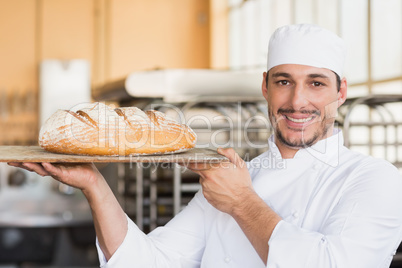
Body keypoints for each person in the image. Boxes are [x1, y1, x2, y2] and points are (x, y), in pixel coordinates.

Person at [8, 24, 402, 268]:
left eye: (316, 83)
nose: (298, 101)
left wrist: (242, 204)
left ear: (341, 91)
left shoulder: (375, 180)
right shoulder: (234, 178)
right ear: (265, 86)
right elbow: (151, 264)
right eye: (284, 82)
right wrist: (95, 185)